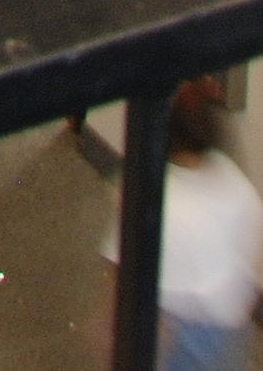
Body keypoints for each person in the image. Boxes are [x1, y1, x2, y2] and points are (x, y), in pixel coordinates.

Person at [104, 84, 263, 369]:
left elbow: (130, 287)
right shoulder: (234, 182)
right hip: (227, 330)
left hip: (175, 332)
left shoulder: (150, 197)